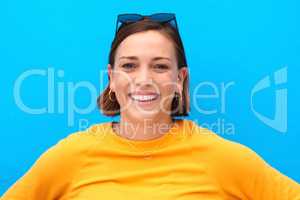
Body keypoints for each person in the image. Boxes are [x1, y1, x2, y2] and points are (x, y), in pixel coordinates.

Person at [1, 13, 300, 200]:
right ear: (112, 78)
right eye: (129, 66)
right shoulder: (72, 155)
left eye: (159, 66)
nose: (144, 80)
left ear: (179, 78)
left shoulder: (223, 158)